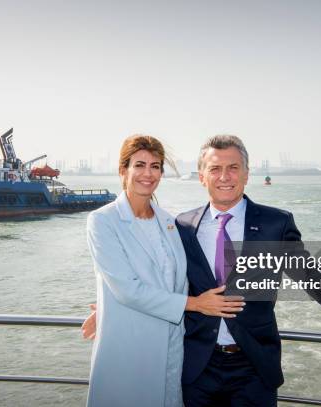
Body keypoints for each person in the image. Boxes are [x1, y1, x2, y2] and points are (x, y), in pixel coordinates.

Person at [83, 134, 321, 407]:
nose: (224, 176)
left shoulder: (275, 224)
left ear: (246, 173)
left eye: (233, 168)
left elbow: (316, 281)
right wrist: (112, 308)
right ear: (201, 176)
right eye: (215, 169)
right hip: (196, 369)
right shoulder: (181, 226)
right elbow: (162, 277)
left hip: (254, 369)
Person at [85, 135, 244, 407]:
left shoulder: (171, 223)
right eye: (140, 165)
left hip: (172, 344)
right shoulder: (102, 221)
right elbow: (127, 289)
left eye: (156, 166)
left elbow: (179, 278)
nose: (148, 174)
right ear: (123, 170)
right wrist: (195, 304)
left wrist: (104, 307)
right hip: (131, 344)